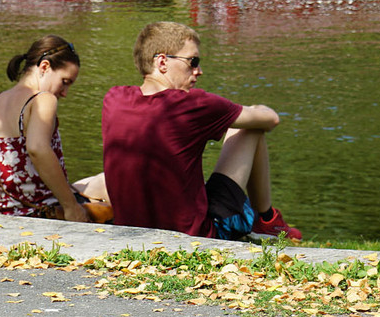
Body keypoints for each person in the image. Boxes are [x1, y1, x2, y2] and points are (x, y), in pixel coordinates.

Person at [101, 21, 300, 240]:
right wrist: (256, 109)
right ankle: (267, 220)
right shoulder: (193, 104)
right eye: (192, 61)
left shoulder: (114, 99)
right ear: (162, 62)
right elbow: (271, 119)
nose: (199, 71)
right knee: (250, 129)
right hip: (197, 236)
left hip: (131, 232)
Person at [0, 34, 104, 222]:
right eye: (65, 82)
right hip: (33, 211)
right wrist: (71, 208)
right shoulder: (42, 99)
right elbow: (37, 149)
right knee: (108, 185)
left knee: (95, 182)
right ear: (45, 67)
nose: (65, 93)